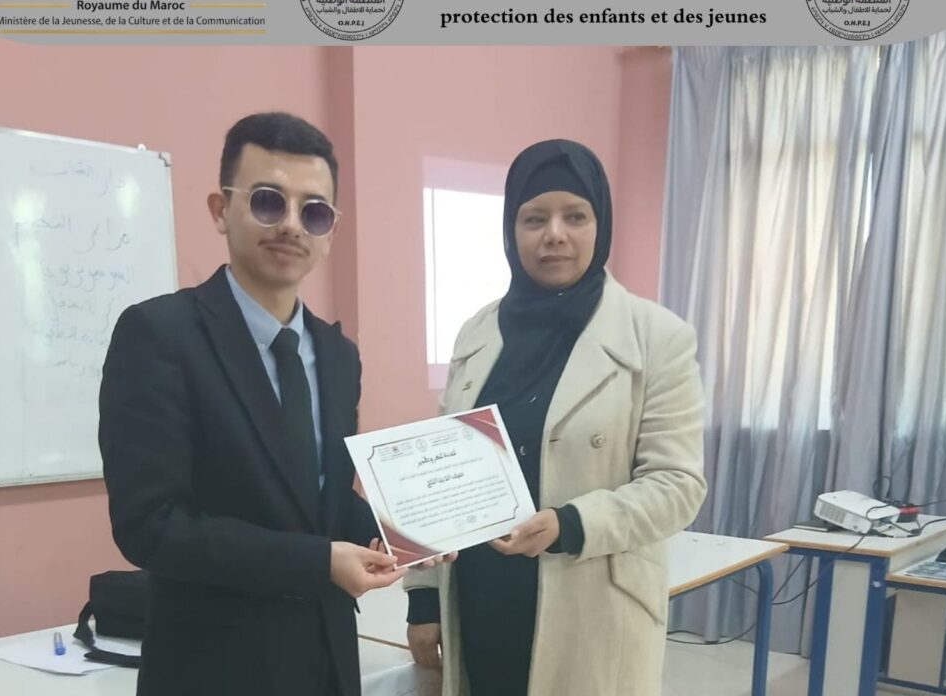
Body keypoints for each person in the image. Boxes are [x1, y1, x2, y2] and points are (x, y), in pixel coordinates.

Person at [99, 112, 406, 696]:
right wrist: (318, 562)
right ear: (221, 210)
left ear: (330, 232)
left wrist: (404, 532)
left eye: (313, 211)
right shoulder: (160, 335)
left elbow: (321, 502)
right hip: (213, 669)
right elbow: (151, 527)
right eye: (268, 201)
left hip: (328, 662)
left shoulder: (338, 355)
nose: (291, 224)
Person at [404, 139, 707, 696]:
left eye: (576, 216)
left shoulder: (657, 337)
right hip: (479, 600)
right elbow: (440, 470)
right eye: (534, 218)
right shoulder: (477, 331)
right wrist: (423, 598)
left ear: (601, 224)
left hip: (589, 607)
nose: (555, 234)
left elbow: (677, 485)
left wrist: (570, 524)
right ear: (510, 229)